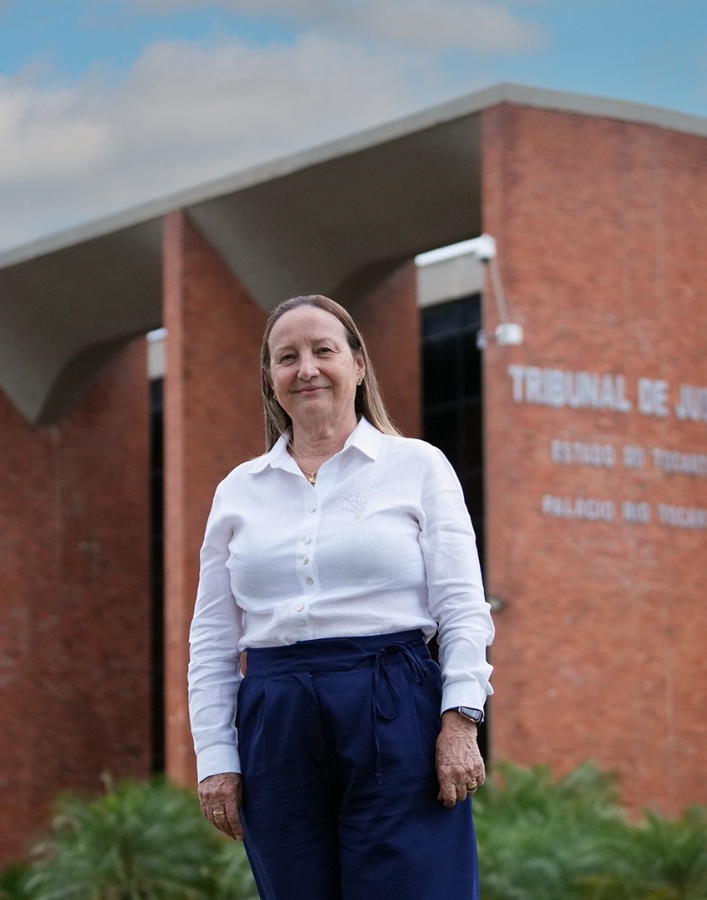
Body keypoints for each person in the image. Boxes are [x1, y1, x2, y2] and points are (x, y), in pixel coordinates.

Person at [188, 294, 495, 899]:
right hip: (275, 716)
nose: (306, 368)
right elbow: (213, 639)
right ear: (271, 380)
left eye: (323, 350)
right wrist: (216, 756)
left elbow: (463, 607)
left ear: (357, 364)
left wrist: (461, 720)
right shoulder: (237, 491)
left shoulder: (418, 466)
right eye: (287, 357)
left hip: (393, 700)